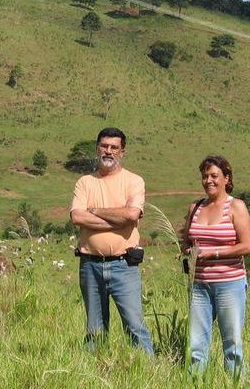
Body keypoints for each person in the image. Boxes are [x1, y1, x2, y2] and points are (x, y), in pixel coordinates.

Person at [69, 127, 154, 355]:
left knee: (135, 326)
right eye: (104, 146)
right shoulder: (85, 182)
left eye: (114, 147)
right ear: (97, 149)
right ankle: (93, 375)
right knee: (94, 329)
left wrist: (94, 210)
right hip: (90, 264)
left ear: (122, 152)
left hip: (123, 265)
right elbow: (77, 216)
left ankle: (149, 372)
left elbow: (131, 215)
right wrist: (116, 222)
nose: (109, 151)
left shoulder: (134, 181)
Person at [182, 155, 250, 376]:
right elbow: (186, 241)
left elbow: (247, 246)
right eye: (205, 176)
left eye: (214, 175)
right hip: (199, 284)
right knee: (196, 343)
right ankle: (196, 381)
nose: (209, 181)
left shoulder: (236, 206)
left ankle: (234, 381)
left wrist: (213, 253)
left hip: (229, 283)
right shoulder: (195, 207)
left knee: (232, 343)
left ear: (226, 178)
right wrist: (188, 252)